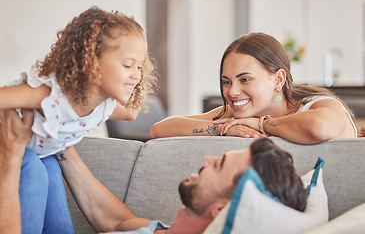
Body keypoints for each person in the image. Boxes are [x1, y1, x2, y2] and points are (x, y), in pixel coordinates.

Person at [0, 109, 307, 234]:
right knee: (47, 162)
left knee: (27, 165)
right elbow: (116, 220)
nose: (207, 158)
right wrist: (62, 143)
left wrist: (12, 158)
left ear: (222, 208)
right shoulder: (168, 229)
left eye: (220, 165)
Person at [0, 6, 157, 233]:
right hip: (9, 147)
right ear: (90, 61)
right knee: (34, 170)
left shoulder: (104, 106)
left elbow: (132, 113)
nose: (137, 74)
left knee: (51, 170)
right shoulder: (51, 96)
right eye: (127, 65)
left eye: (140, 66)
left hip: (41, 155)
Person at [149, 32, 359, 144]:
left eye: (245, 79)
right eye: (226, 81)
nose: (232, 92)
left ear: (278, 79)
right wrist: (221, 129)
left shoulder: (317, 104)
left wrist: (261, 125)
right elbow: (159, 130)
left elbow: (319, 128)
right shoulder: (236, 115)